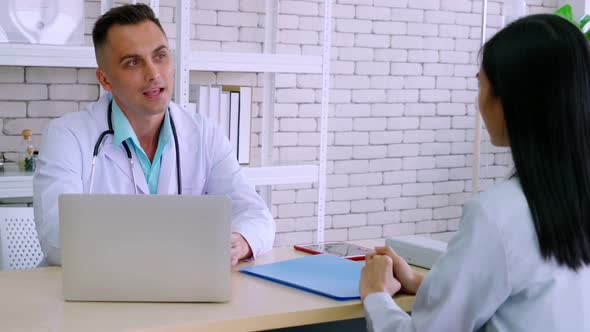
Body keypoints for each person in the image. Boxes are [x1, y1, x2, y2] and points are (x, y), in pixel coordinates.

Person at [360, 14, 590, 332]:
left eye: (481, 84)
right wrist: (418, 281)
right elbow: (527, 291)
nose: (477, 101)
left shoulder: (498, 214)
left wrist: (375, 294)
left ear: (510, 99)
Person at [33, 4, 275, 266]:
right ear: (105, 80)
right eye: (133, 62)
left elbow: (256, 215)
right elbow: (58, 240)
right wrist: (176, 246)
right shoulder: (67, 137)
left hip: (182, 289)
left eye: (160, 56)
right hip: (94, 294)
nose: (154, 74)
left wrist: (241, 241)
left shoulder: (204, 134)